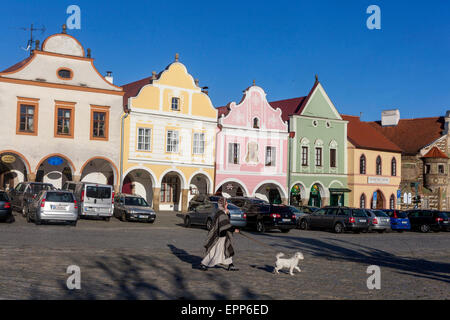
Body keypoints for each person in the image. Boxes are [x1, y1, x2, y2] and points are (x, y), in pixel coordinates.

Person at [199, 197, 239, 271]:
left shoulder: (222, 212)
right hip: (219, 236)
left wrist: (228, 213)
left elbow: (226, 222)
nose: (227, 204)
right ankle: (204, 264)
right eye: (226, 203)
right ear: (224, 204)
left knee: (226, 248)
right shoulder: (221, 213)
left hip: (223, 235)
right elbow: (225, 225)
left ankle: (230, 265)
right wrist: (234, 230)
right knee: (214, 251)